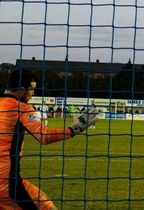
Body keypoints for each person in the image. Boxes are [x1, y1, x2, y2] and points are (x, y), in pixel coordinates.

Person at [0, 69, 98, 210]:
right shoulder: (22, 109)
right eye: (31, 90)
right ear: (21, 90)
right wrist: (74, 129)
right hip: (7, 184)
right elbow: (44, 136)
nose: (33, 94)